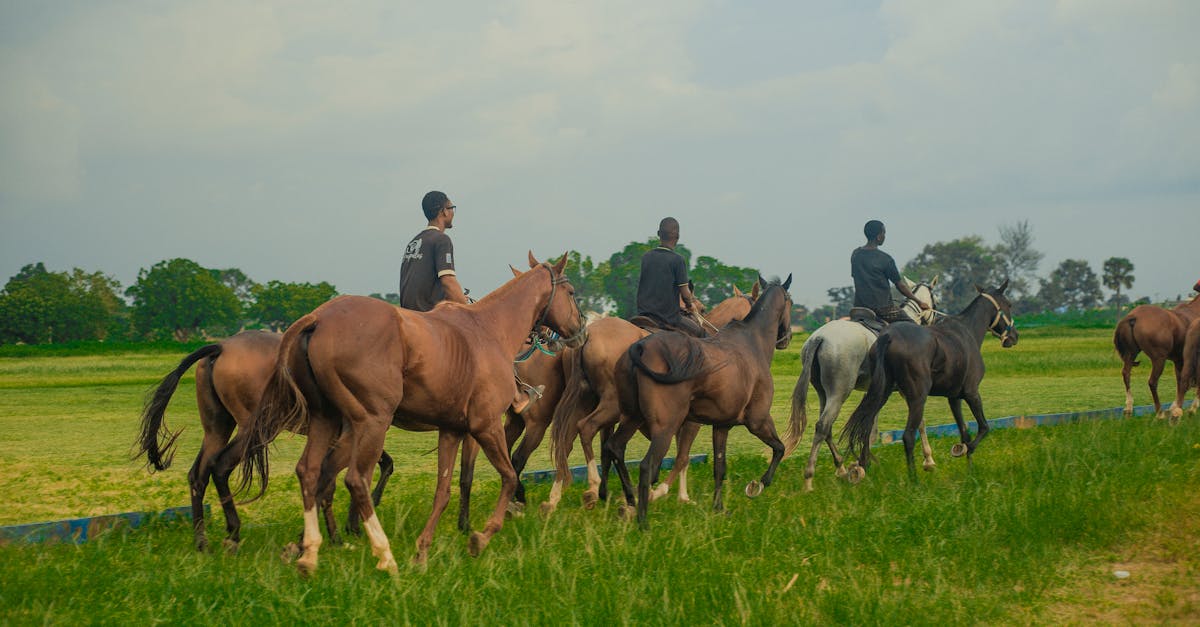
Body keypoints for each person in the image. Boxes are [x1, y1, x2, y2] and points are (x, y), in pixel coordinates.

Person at [398, 190, 540, 413]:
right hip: (431, 315)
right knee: (488, 342)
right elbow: (447, 281)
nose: (453, 213)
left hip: (410, 313)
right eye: (451, 208)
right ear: (443, 212)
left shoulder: (414, 242)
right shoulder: (442, 240)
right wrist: (470, 311)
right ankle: (516, 397)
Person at [634, 217, 705, 337]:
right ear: (677, 236)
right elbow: (685, 294)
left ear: (658, 234)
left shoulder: (646, 257)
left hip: (643, 315)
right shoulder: (677, 260)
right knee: (701, 333)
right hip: (667, 318)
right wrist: (690, 305)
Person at [850, 220, 931, 323]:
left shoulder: (855, 254)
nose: (884, 236)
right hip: (882, 310)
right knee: (912, 326)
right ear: (879, 236)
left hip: (859, 309)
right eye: (884, 233)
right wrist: (919, 302)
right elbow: (900, 286)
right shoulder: (885, 259)